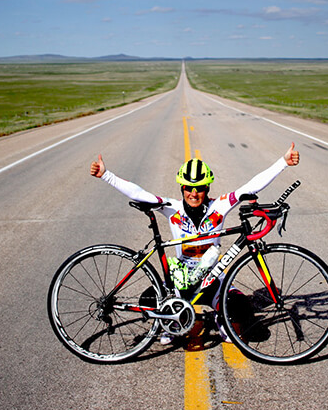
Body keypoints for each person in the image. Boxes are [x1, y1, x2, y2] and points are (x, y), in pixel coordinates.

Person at [90, 143, 300, 343]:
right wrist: (106, 175)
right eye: (189, 188)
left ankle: (221, 318)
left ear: (207, 187)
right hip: (181, 282)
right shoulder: (172, 208)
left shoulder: (220, 205)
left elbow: (251, 186)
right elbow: (139, 193)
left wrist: (283, 162)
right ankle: (172, 323)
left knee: (242, 307)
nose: (193, 193)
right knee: (148, 301)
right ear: (182, 188)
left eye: (199, 188)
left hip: (213, 280)